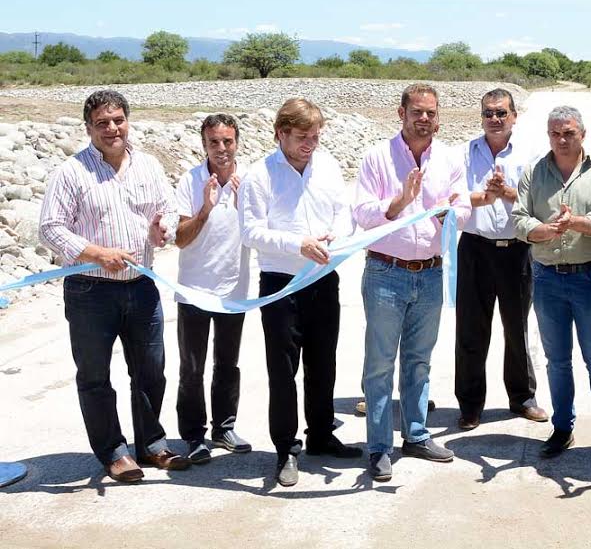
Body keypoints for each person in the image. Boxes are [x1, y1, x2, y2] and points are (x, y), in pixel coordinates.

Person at [40, 89, 188, 482]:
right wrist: (93, 252)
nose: (112, 128)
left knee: (151, 371)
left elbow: (168, 209)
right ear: (88, 127)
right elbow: (50, 228)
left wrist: (164, 227)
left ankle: (152, 444)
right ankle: (113, 452)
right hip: (91, 291)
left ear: (128, 120)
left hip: (142, 287)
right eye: (102, 123)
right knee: (95, 375)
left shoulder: (149, 166)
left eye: (118, 120)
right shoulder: (71, 172)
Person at [239, 97, 362, 488]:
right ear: (281, 134)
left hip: (322, 280)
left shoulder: (325, 165)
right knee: (283, 371)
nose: (311, 144)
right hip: (281, 284)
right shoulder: (260, 175)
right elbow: (250, 231)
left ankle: (322, 436)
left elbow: (343, 211)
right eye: (303, 137)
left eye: (315, 136)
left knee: (323, 362)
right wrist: (297, 243)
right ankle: (285, 450)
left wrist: (335, 236)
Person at [354, 83, 470, 482]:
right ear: (400, 113)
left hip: (432, 272)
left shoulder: (450, 159)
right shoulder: (377, 157)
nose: (424, 119)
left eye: (431, 113)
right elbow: (362, 214)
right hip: (387, 272)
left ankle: (417, 435)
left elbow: (464, 208)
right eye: (417, 112)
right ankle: (379, 446)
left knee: (419, 361)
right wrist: (399, 202)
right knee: (380, 363)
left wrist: (449, 216)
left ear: (439, 118)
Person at [511, 105, 591, 463]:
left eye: (569, 133)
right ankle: (562, 428)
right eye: (555, 133)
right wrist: (542, 231)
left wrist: (575, 223)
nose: (561, 139)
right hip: (547, 279)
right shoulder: (534, 171)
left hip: (589, 277)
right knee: (557, 360)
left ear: (582, 135)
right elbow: (520, 219)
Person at [455, 89, 547, 430]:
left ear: (514, 116)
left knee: (517, 329)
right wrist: (484, 196)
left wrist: (506, 192)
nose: (495, 119)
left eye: (501, 113)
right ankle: (469, 404)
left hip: (517, 250)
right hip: (475, 248)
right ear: (481, 117)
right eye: (489, 113)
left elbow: (538, 200)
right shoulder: (464, 153)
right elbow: (455, 197)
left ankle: (522, 397)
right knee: (470, 329)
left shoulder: (531, 154)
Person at [173, 113, 253, 464]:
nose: (221, 149)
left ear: (237, 142)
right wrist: (205, 208)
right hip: (194, 291)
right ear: (203, 144)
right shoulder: (189, 181)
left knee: (228, 364)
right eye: (213, 142)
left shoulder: (249, 180)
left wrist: (243, 207)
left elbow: (261, 232)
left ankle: (224, 428)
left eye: (227, 141)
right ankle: (193, 436)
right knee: (192, 367)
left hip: (234, 291)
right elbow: (179, 238)